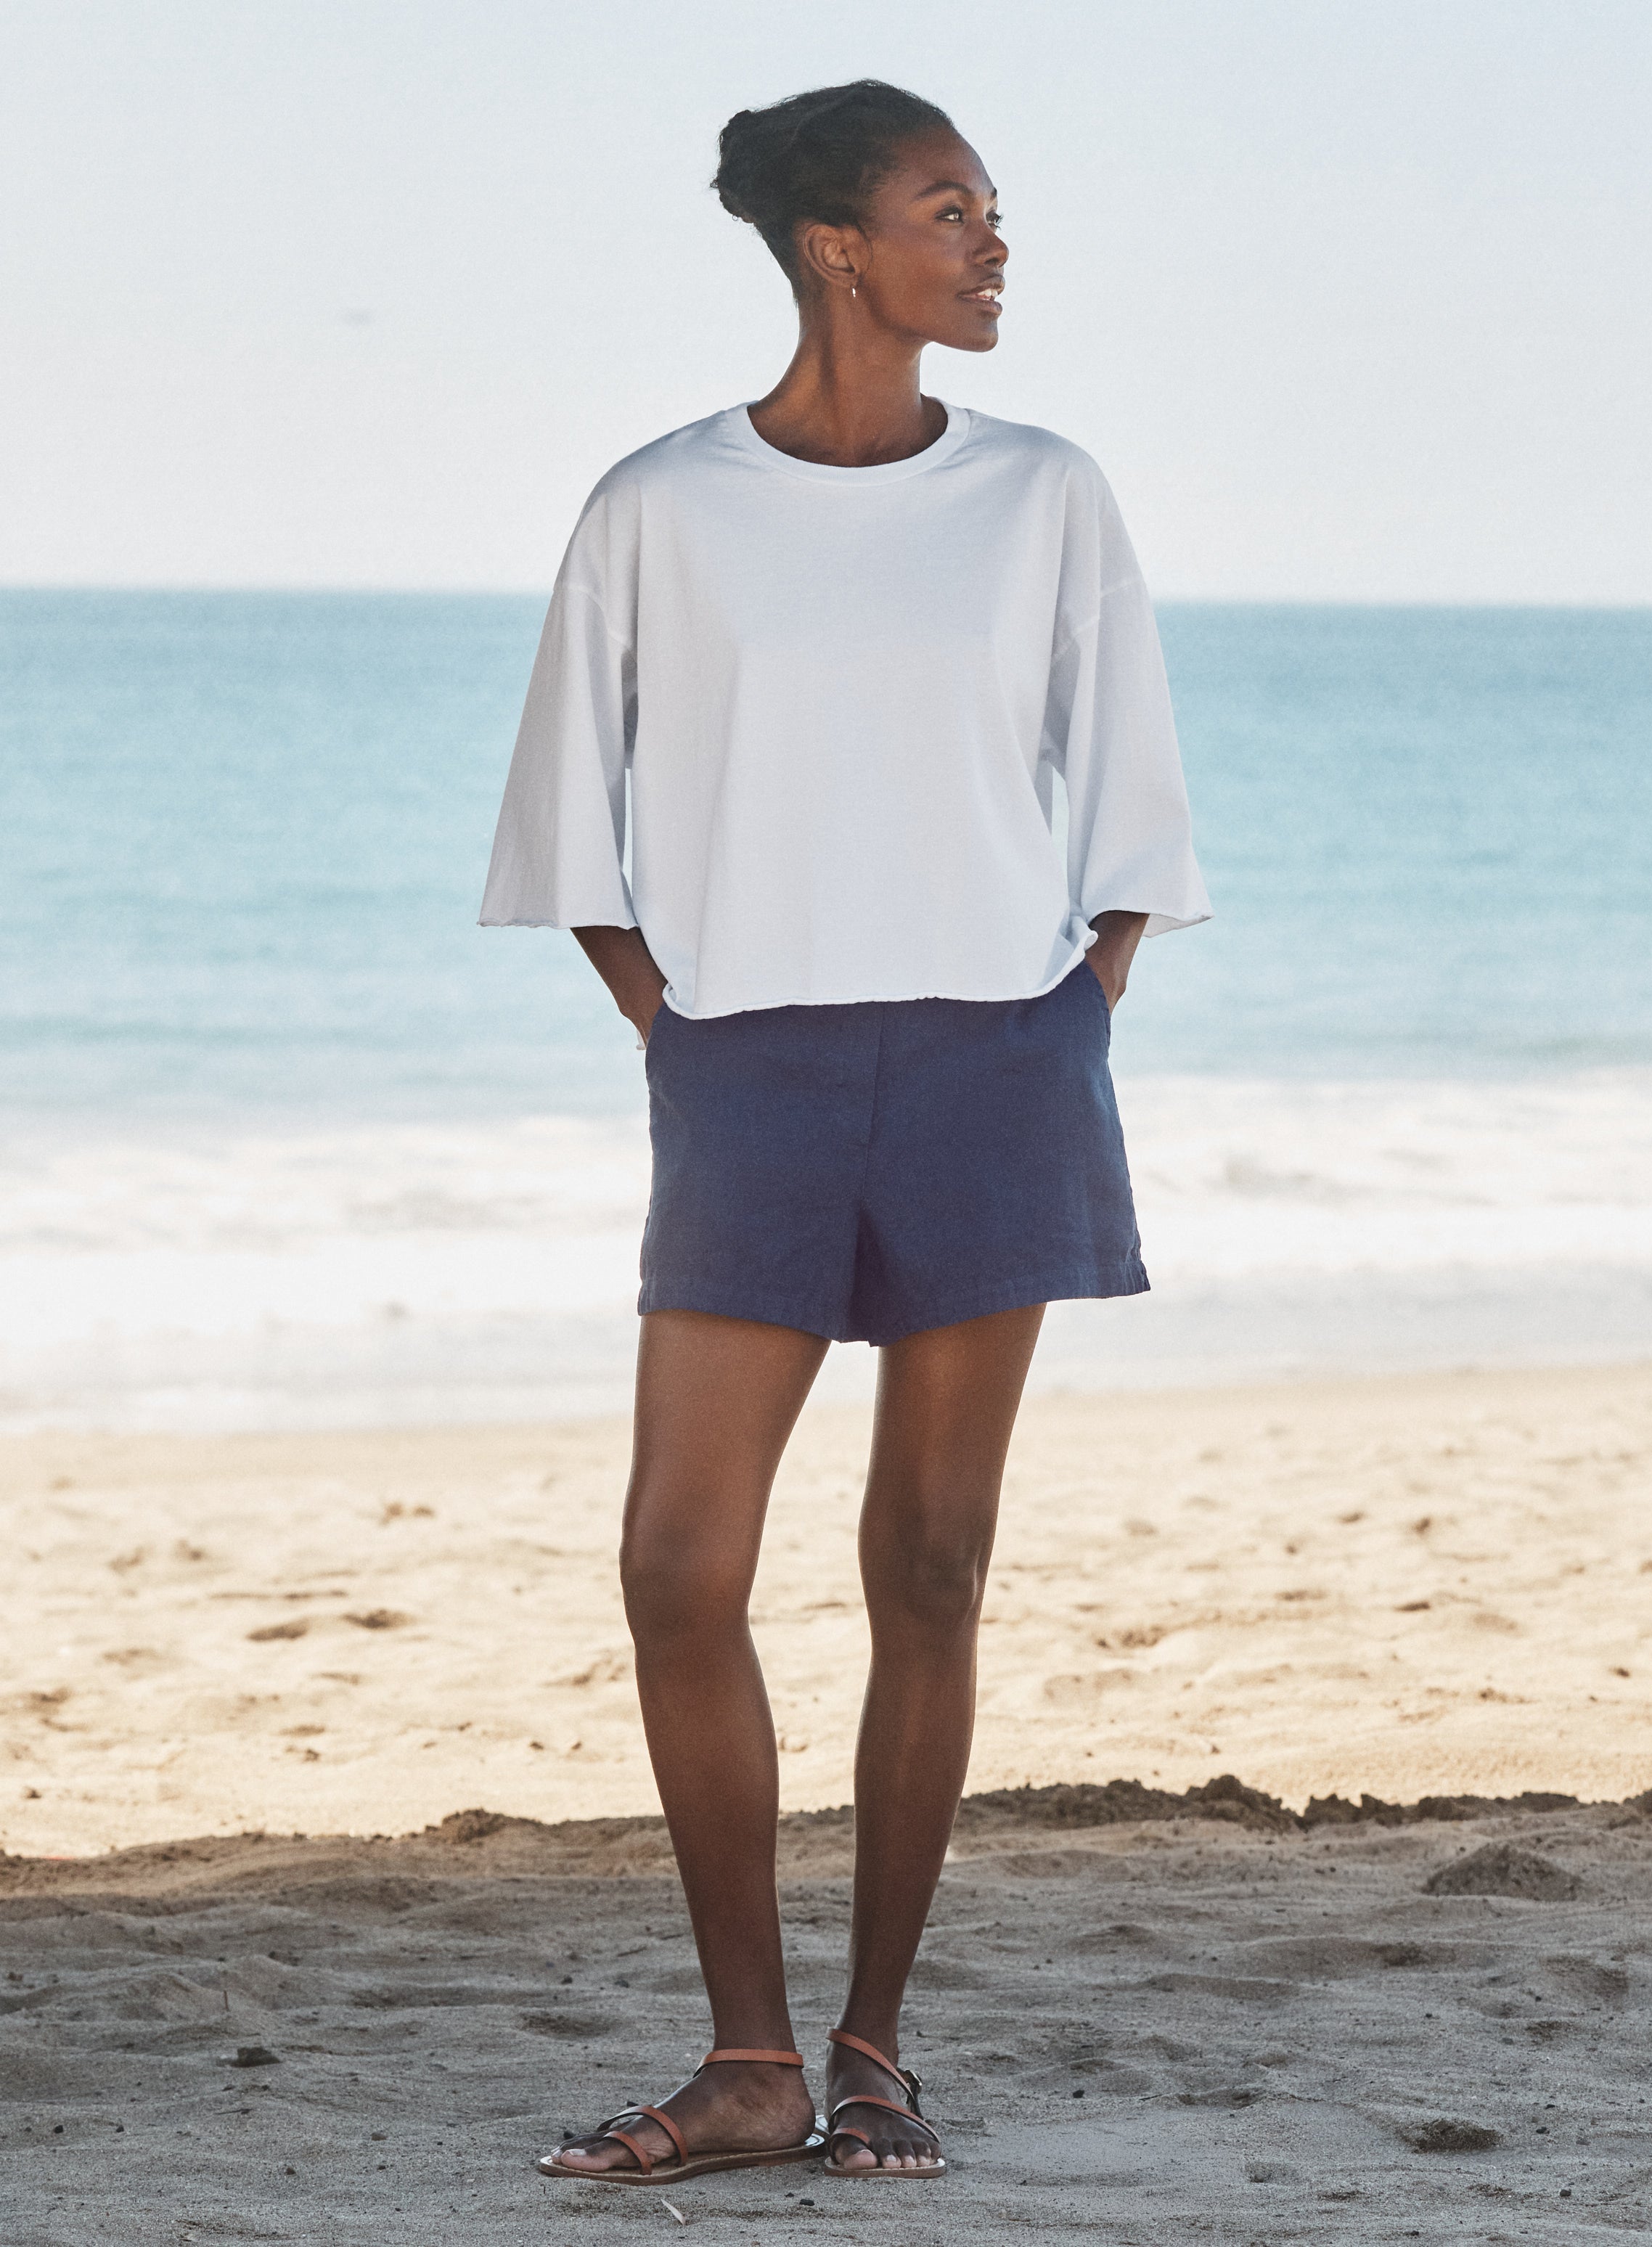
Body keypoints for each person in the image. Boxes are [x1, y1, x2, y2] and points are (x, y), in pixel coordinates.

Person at [480, 78, 1209, 2185]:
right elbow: (572, 815)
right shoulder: (659, 505)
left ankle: (872, 2046)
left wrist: (1080, 998)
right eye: (947, 210)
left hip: (998, 1060)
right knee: (678, 1564)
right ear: (834, 248)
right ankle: (749, 2060)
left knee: (932, 1561)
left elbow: (1127, 785)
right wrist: (682, 1031)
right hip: (755, 1075)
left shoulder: (1044, 493)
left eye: (988, 211)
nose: (990, 246)